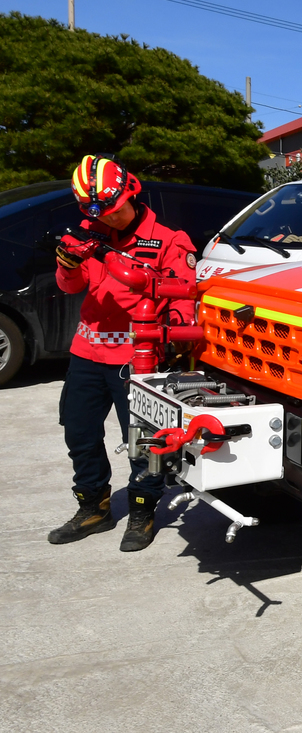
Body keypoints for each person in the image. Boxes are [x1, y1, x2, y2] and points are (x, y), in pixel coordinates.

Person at [48, 156, 197, 551]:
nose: (107, 218)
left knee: (142, 442)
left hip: (137, 357)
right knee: (79, 434)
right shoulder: (90, 233)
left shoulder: (169, 241)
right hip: (87, 352)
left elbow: (184, 299)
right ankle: (93, 508)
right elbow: (70, 286)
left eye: (113, 209)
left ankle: (142, 512)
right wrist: (67, 265)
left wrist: (176, 334)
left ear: (131, 192)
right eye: (95, 211)